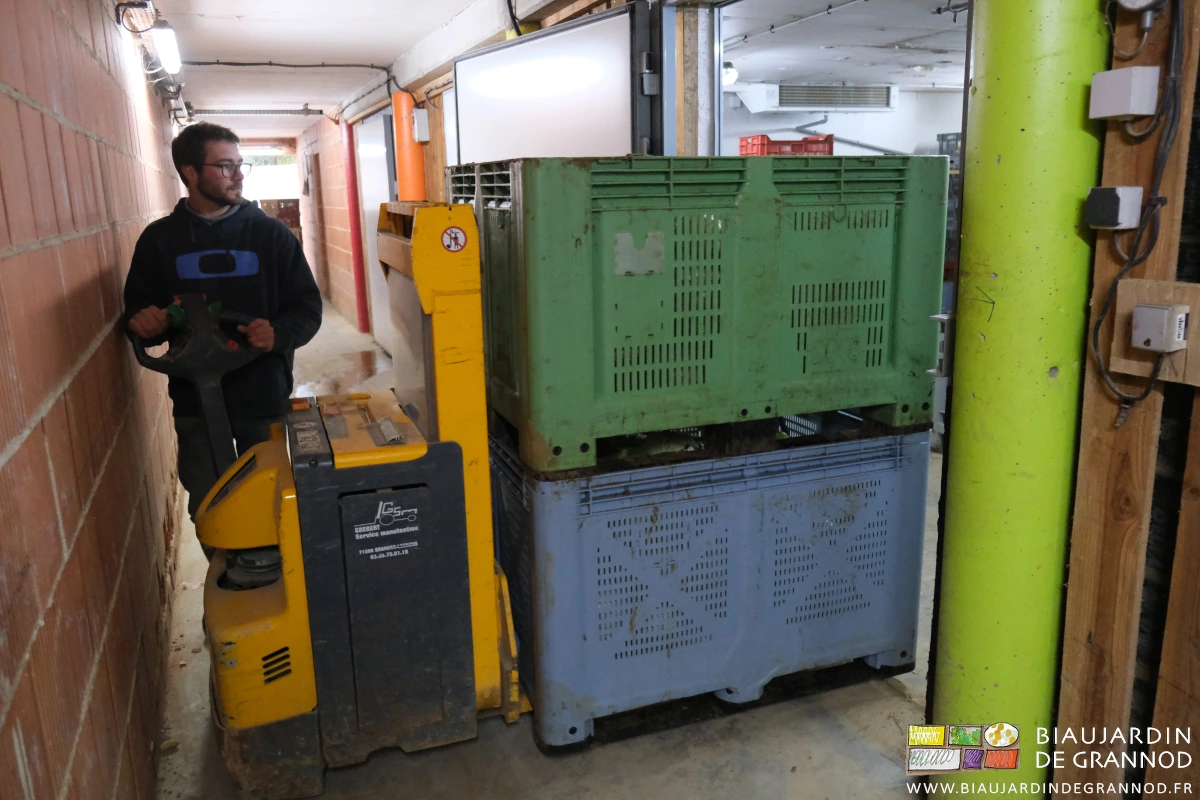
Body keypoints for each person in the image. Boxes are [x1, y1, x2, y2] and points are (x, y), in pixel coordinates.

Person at [124, 122, 322, 521]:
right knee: (211, 505)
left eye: (239, 164)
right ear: (190, 173)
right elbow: (139, 310)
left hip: (262, 394)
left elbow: (307, 308)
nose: (238, 175)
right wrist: (143, 322)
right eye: (225, 166)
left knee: (272, 500)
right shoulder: (159, 241)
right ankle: (227, 574)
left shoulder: (271, 236)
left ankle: (276, 577)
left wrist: (277, 333)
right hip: (194, 400)